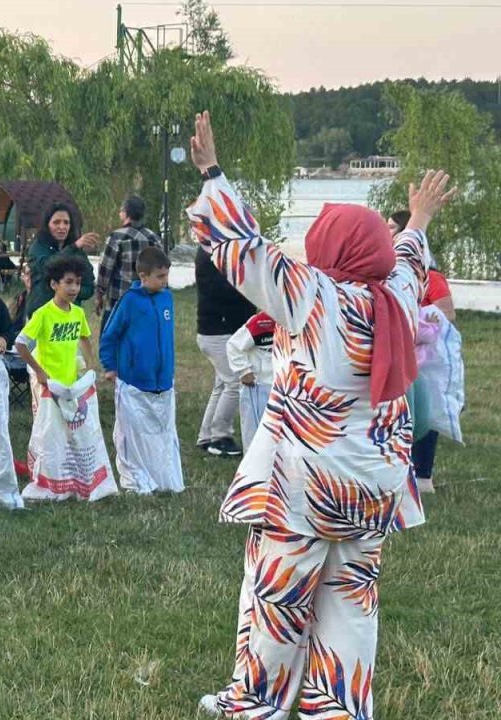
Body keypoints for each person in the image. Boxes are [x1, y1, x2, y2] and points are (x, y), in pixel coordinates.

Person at [188, 111, 455, 720]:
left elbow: (244, 250)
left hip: (302, 485)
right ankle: (336, 706)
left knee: (278, 599)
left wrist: (213, 172)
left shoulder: (312, 295)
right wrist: (418, 217)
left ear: (331, 250)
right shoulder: (396, 295)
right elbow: (408, 260)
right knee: (352, 603)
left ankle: (258, 703)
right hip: (371, 486)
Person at [98, 246, 184, 495]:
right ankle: (136, 479)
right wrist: (110, 367)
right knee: (132, 435)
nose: (165, 281)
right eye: (160, 277)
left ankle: (164, 476)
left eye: (167, 275)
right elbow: (110, 336)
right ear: (143, 276)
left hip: (163, 382)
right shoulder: (130, 302)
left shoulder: (167, 299)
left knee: (162, 433)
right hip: (134, 380)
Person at [389, 209, 455, 493]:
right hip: (401, 354)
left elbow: (446, 313)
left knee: (422, 415)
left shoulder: (431, 275)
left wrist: (414, 320)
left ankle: (423, 474)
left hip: (423, 358)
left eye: (392, 228)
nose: (387, 232)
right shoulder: (392, 272)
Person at [194, 245, 257, 458]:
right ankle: (220, 436)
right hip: (218, 331)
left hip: (218, 329)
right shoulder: (214, 253)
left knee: (222, 383)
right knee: (234, 381)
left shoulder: (218, 251)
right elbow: (224, 289)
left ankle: (206, 436)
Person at [15, 255, 95, 396]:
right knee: (48, 419)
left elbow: (84, 338)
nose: (74, 288)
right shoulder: (43, 314)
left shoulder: (78, 313)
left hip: (70, 383)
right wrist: (39, 371)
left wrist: (90, 366)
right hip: (48, 383)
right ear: (54, 285)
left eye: (78, 283)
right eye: (69, 282)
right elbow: (20, 343)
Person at [24, 203, 99, 318]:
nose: (62, 227)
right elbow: (47, 266)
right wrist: (73, 247)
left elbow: (89, 287)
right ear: (47, 224)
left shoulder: (78, 252)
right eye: (56, 222)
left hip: (69, 318)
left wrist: (72, 291)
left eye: (66, 222)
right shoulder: (38, 247)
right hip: (42, 315)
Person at [94, 195, 161, 321]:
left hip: (120, 301)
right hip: (147, 300)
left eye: (121, 211)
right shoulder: (154, 238)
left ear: (126, 214)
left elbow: (105, 269)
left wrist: (99, 294)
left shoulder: (117, 237)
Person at [226, 311, 276, 451]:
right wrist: (244, 371)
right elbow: (234, 345)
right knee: (254, 432)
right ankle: (252, 469)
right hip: (258, 386)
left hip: (283, 385)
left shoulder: (297, 323)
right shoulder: (261, 322)